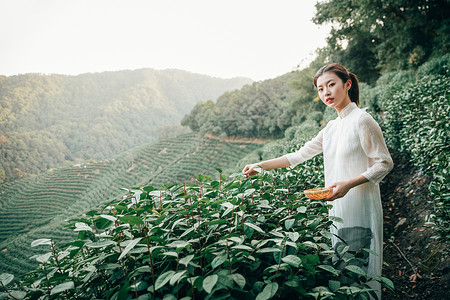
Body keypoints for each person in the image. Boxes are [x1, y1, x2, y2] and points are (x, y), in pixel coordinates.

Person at [242, 63, 393, 298]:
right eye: (321, 89)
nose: (326, 93)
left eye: (331, 85)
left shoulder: (362, 120)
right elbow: (299, 155)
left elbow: (384, 163)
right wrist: (259, 165)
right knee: (344, 268)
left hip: (359, 207)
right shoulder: (332, 128)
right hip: (337, 207)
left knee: (357, 273)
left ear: (348, 84)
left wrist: (348, 184)